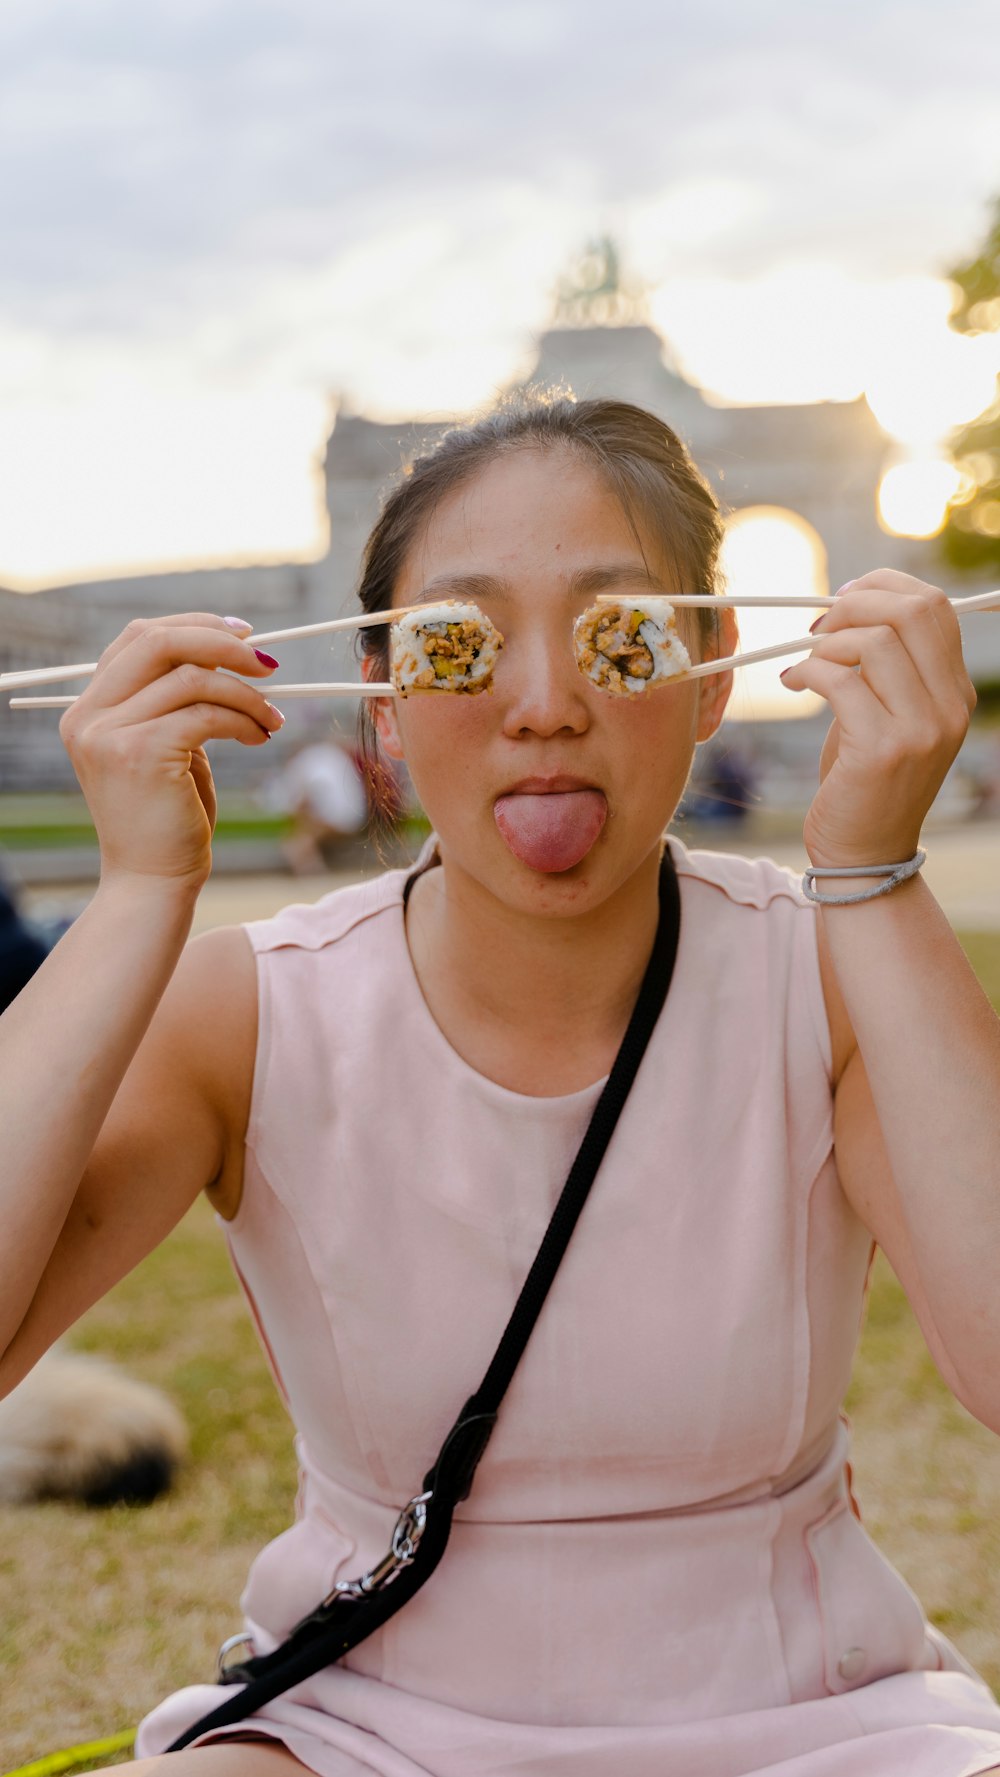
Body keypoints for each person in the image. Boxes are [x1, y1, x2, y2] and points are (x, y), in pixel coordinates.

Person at [2, 394, 999, 1777]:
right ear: (386, 700)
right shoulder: (253, 1004)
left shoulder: (822, 976)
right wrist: (135, 895)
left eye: (620, 632)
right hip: (362, 1727)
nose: (543, 706)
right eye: (460, 643)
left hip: (807, 1721)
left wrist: (874, 874)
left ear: (715, 670)